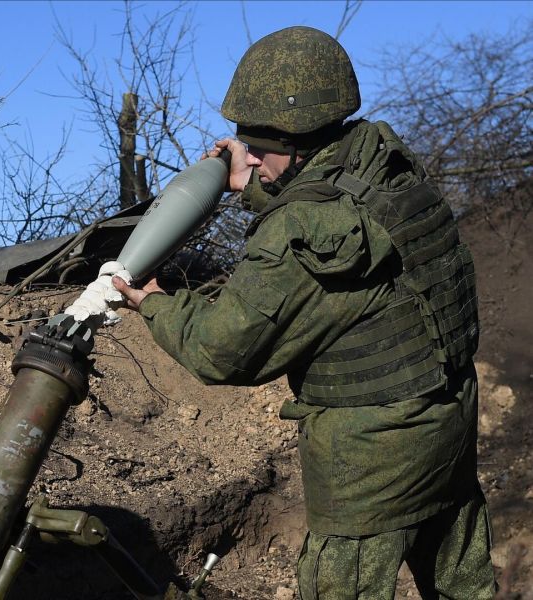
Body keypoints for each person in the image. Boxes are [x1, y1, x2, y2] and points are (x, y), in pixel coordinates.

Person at [113, 27, 496, 599]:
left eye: (257, 145)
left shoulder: (297, 230)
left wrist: (155, 301)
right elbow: (329, 201)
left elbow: (221, 352)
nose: (247, 155)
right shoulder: (382, 161)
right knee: (463, 587)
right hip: (447, 420)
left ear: (296, 140)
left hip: (372, 454)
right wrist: (254, 185)